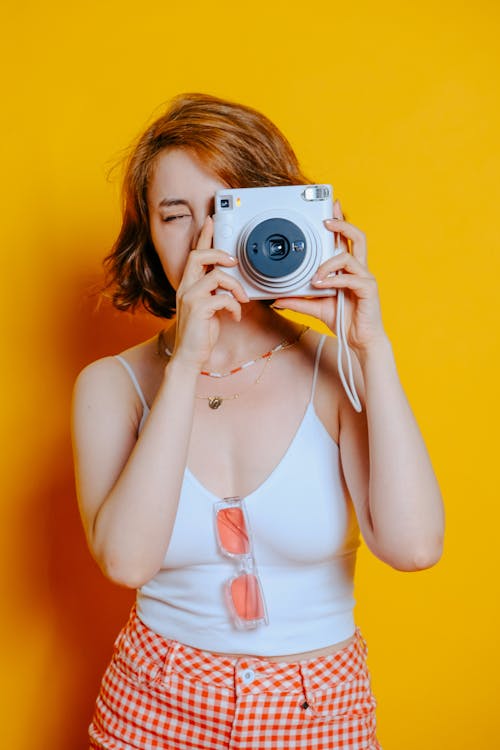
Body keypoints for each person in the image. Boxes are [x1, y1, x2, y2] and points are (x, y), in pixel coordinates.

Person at [71, 92, 444, 750]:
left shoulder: (336, 369)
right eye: (174, 215)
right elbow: (126, 560)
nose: (204, 239)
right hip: (153, 704)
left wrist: (370, 348)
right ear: (148, 236)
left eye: (226, 208)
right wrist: (186, 362)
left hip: (319, 708)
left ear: (275, 213)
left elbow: (413, 547)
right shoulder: (112, 385)